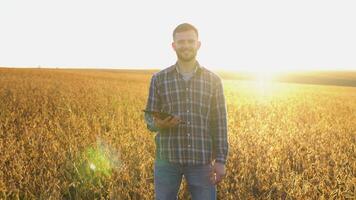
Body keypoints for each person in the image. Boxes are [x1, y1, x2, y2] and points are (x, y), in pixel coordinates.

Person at [144, 23, 229, 200]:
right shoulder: (159, 79)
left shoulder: (213, 81)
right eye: (181, 41)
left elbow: (219, 122)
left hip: (201, 161)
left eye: (190, 41)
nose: (186, 45)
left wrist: (220, 160)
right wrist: (159, 124)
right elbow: (149, 119)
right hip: (167, 160)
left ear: (198, 44)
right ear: (173, 45)